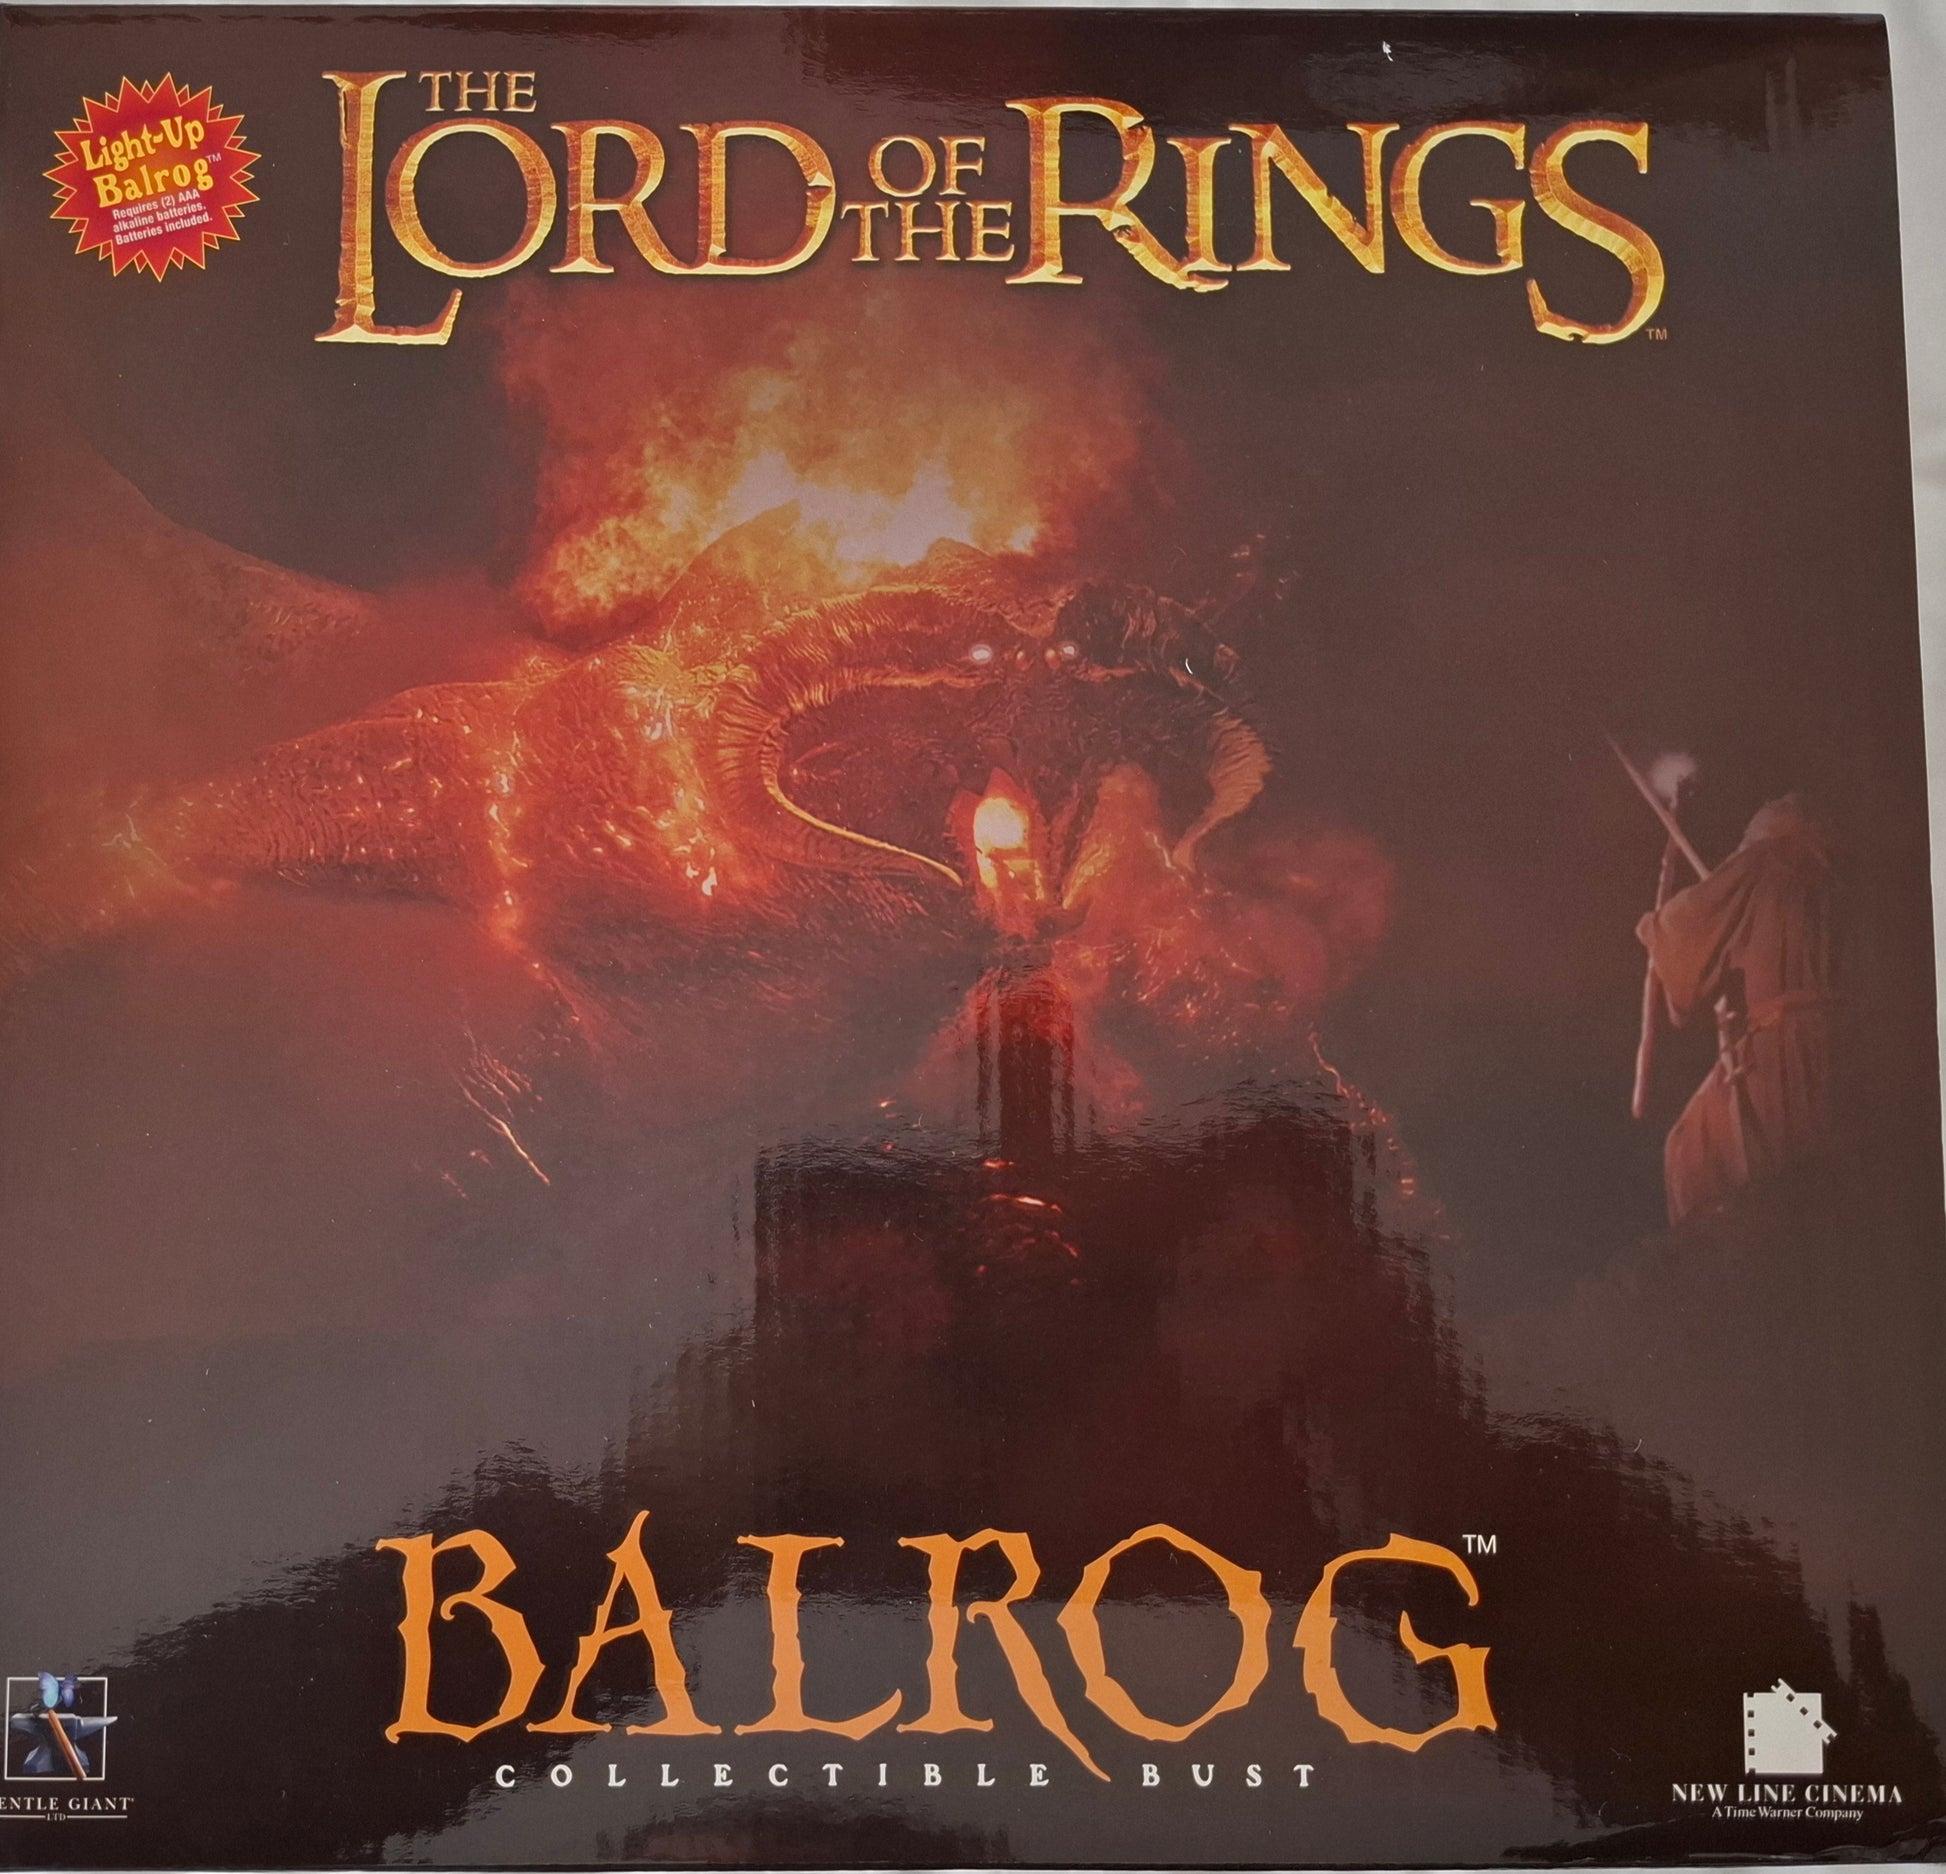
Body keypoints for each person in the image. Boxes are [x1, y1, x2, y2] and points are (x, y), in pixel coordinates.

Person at [1637, 795, 1839, 1224]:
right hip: (1839, 1045)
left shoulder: (1765, 861)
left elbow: (1692, 919)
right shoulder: (1827, 874)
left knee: (1690, 1145)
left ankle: (1717, 1250)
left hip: (1781, 1047)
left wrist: (1655, 928)